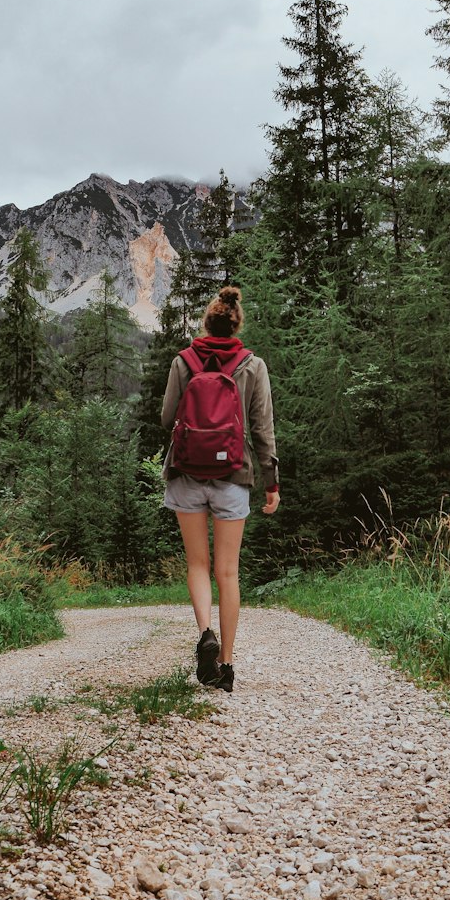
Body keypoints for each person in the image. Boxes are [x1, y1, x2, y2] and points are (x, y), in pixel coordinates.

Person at [160, 285, 279, 694]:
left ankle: (205, 633)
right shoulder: (253, 365)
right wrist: (272, 483)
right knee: (228, 571)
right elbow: (263, 429)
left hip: (186, 473)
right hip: (233, 475)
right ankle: (225, 666)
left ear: (206, 324)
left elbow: (165, 417)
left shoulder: (183, 361)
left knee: (198, 564)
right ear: (236, 324)